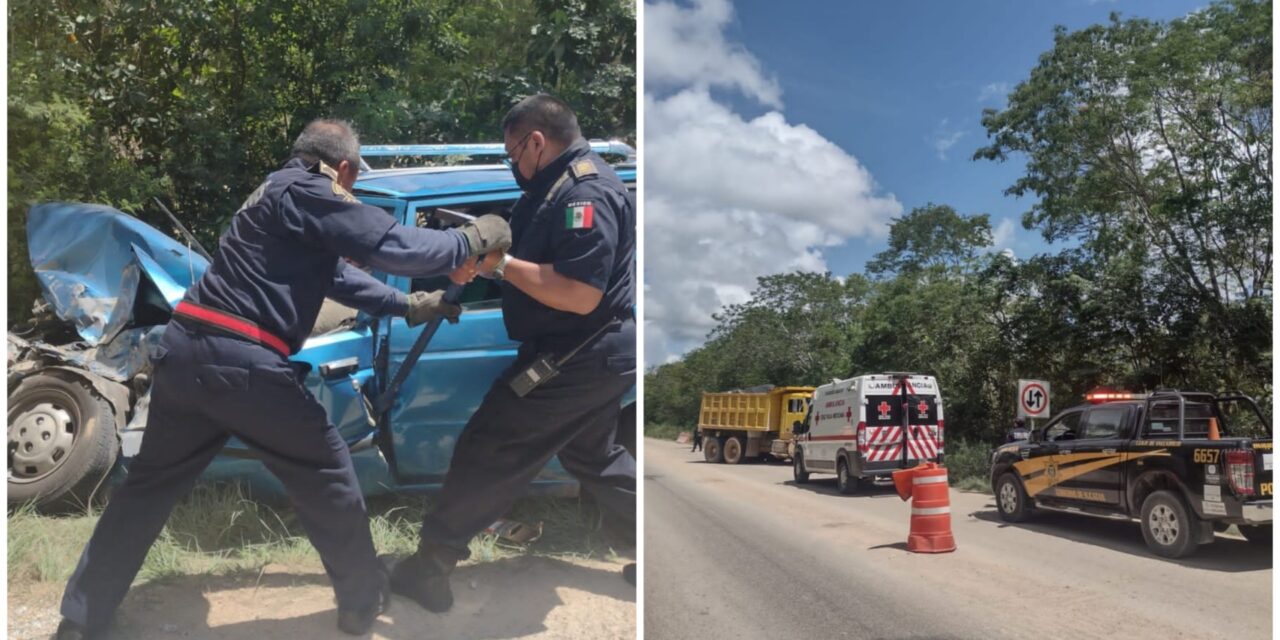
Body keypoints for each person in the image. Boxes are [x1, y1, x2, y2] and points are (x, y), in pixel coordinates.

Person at [55, 119, 512, 640]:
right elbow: (393, 244)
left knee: (146, 490)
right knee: (329, 473)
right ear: (343, 167)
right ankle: (362, 601)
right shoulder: (310, 189)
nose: (352, 191)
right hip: (243, 363)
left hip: (185, 354)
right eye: (355, 182)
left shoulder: (273, 196)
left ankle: (81, 619)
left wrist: (407, 305)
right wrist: (472, 238)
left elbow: (337, 277)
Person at [389, 95, 637, 612]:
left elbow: (578, 293)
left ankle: (429, 568)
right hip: (597, 352)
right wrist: (481, 262)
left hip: (576, 353)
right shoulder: (557, 187)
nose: (512, 164)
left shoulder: (583, 194)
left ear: (537, 142)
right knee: (592, 453)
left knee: (490, 446)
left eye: (512, 153)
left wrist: (496, 265)